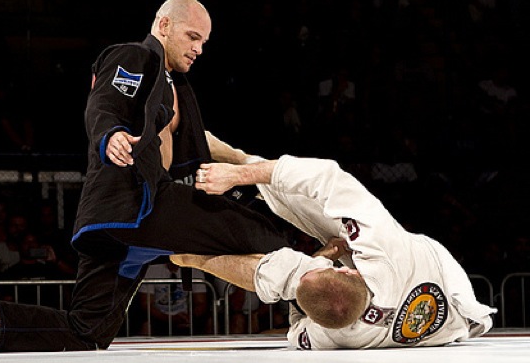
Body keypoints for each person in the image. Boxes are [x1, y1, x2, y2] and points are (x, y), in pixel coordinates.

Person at [0, 0, 290, 355]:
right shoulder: (135, 57)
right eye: (192, 37)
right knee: (256, 230)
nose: (199, 49)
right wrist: (111, 136)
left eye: (204, 42)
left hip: (117, 224)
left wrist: (258, 173)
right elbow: (104, 103)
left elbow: (201, 147)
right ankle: (316, 276)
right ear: (164, 25)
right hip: (136, 203)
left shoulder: (175, 86)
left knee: (87, 332)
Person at [171, 146, 497, 349]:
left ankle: (189, 254)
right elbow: (326, 176)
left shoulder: (337, 334)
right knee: (285, 197)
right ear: (351, 272)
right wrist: (238, 175)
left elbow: (307, 310)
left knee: (288, 277)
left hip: (436, 306)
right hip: (441, 280)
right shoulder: (381, 246)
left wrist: (321, 257)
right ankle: (231, 162)